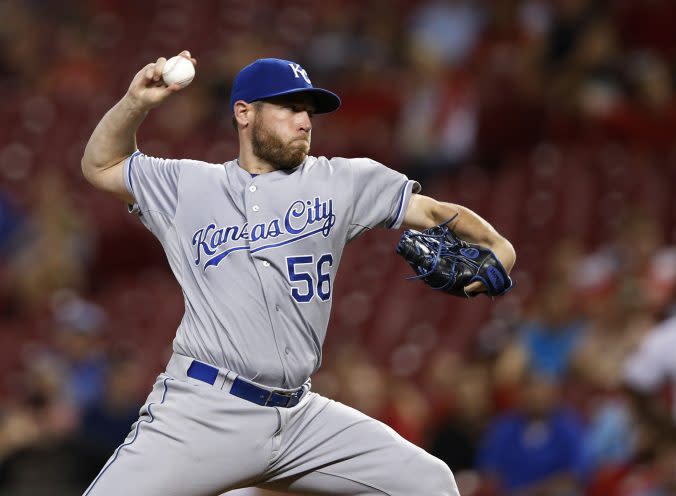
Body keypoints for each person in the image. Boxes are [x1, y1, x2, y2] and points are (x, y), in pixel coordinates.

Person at [80, 51, 516, 495]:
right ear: (245, 113)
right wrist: (136, 102)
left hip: (299, 417)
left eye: (309, 111)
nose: (305, 121)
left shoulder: (342, 182)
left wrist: (501, 246)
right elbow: (100, 165)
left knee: (430, 483)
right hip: (205, 410)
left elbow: (434, 211)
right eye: (290, 107)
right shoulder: (187, 186)